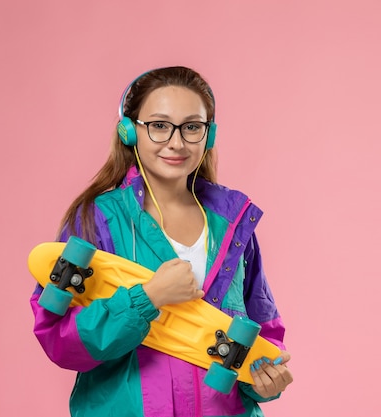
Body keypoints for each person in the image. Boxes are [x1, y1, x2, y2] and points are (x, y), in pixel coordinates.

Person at [30, 66, 293, 417]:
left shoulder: (233, 227)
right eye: (158, 125)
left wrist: (264, 379)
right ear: (128, 131)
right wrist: (148, 298)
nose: (176, 142)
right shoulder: (98, 220)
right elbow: (59, 340)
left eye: (192, 127)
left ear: (208, 135)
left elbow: (265, 333)